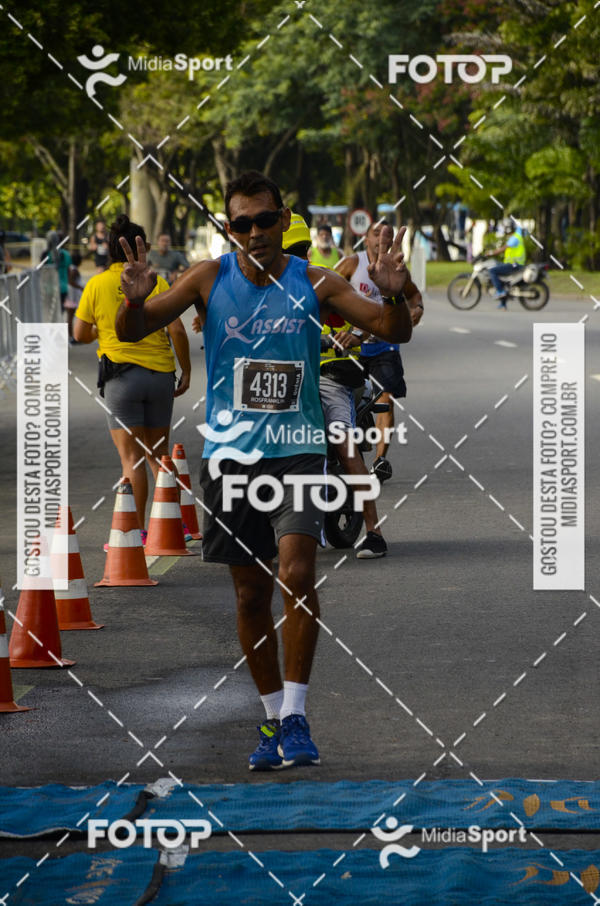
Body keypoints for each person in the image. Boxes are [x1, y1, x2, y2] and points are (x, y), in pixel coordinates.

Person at [115, 170, 412, 771]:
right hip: (231, 457)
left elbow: (390, 328)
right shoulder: (208, 278)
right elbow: (133, 330)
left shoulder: (316, 281)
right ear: (231, 230)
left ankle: (297, 715)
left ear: (283, 220)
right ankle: (273, 715)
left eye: (265, 220)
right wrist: (134, 300)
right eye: (242, 223)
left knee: (296, 572)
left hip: (298, 449)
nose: (255, 232)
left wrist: (393, 294)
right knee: (250, 594)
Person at [73, 214, 191, 540]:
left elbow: (79, 333)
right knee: (159, 455)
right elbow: (177, 330)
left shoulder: (96, 284)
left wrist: (101, 329)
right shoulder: (156, 282)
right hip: (160, 375)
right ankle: (174, 528)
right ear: (143, 248)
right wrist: (186, 371)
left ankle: (136, 533)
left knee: (132, 460)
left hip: (121, 379)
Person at [283, 213, 389, 559]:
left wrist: (354, 335)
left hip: (329, 375)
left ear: (306, 252)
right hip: (284, 378)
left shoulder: (325, 283)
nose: (289, 261)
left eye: (295, 252)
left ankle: (374, 531)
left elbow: (373, 319)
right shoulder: (260, 290)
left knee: (345, 445)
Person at [337, 220, 423, 482]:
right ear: (367, 239)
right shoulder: (351, 264)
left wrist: (417, 310)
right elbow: (325, 294)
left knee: (385, 398)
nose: (382, 239)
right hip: (351, 345)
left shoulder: (397, 269)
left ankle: (379, 461)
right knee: (344, 400)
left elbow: (414, 296)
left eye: (388, 234)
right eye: (377, 234)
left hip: (385, 345)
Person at [488, 219, 526, 308]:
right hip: (513, 264)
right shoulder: (516, 236)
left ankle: (500, 291)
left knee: (492, 271)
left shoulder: (515, 238)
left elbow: (504, 248)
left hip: (514, 265)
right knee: (501, 278)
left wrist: (491, 253)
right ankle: (503, 303)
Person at [45, 231, 72, 322]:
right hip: (63, 288)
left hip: (49, 288)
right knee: (59, 313)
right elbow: (69, 271)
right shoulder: (66, 254)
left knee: (50, 314)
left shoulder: (46, 255)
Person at [66, 250, 85, 344]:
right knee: (70, 317)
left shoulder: (71, 268)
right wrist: (81, 287)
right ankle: (71, 337)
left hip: (71, 296)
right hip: (72, 297)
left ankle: (72, 336)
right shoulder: (74, 270)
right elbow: (70, 281)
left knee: (70, 317)